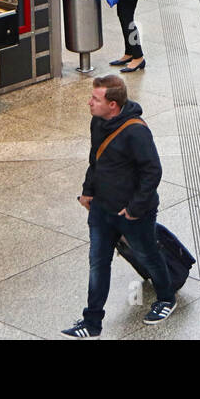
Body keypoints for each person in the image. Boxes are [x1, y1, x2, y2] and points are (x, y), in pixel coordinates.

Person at [62, 75, 173, 338]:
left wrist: (135, 208)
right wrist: (88, 191)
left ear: (112, 105)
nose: (89, 102)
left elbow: (152, 171)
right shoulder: (98, 122)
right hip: (101, 209)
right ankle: (92, 321)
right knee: (98, 263)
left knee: (148, 255)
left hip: (132, 213)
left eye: (95, 99)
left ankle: (166, 298)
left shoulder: (136, 131)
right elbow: (95, 159)